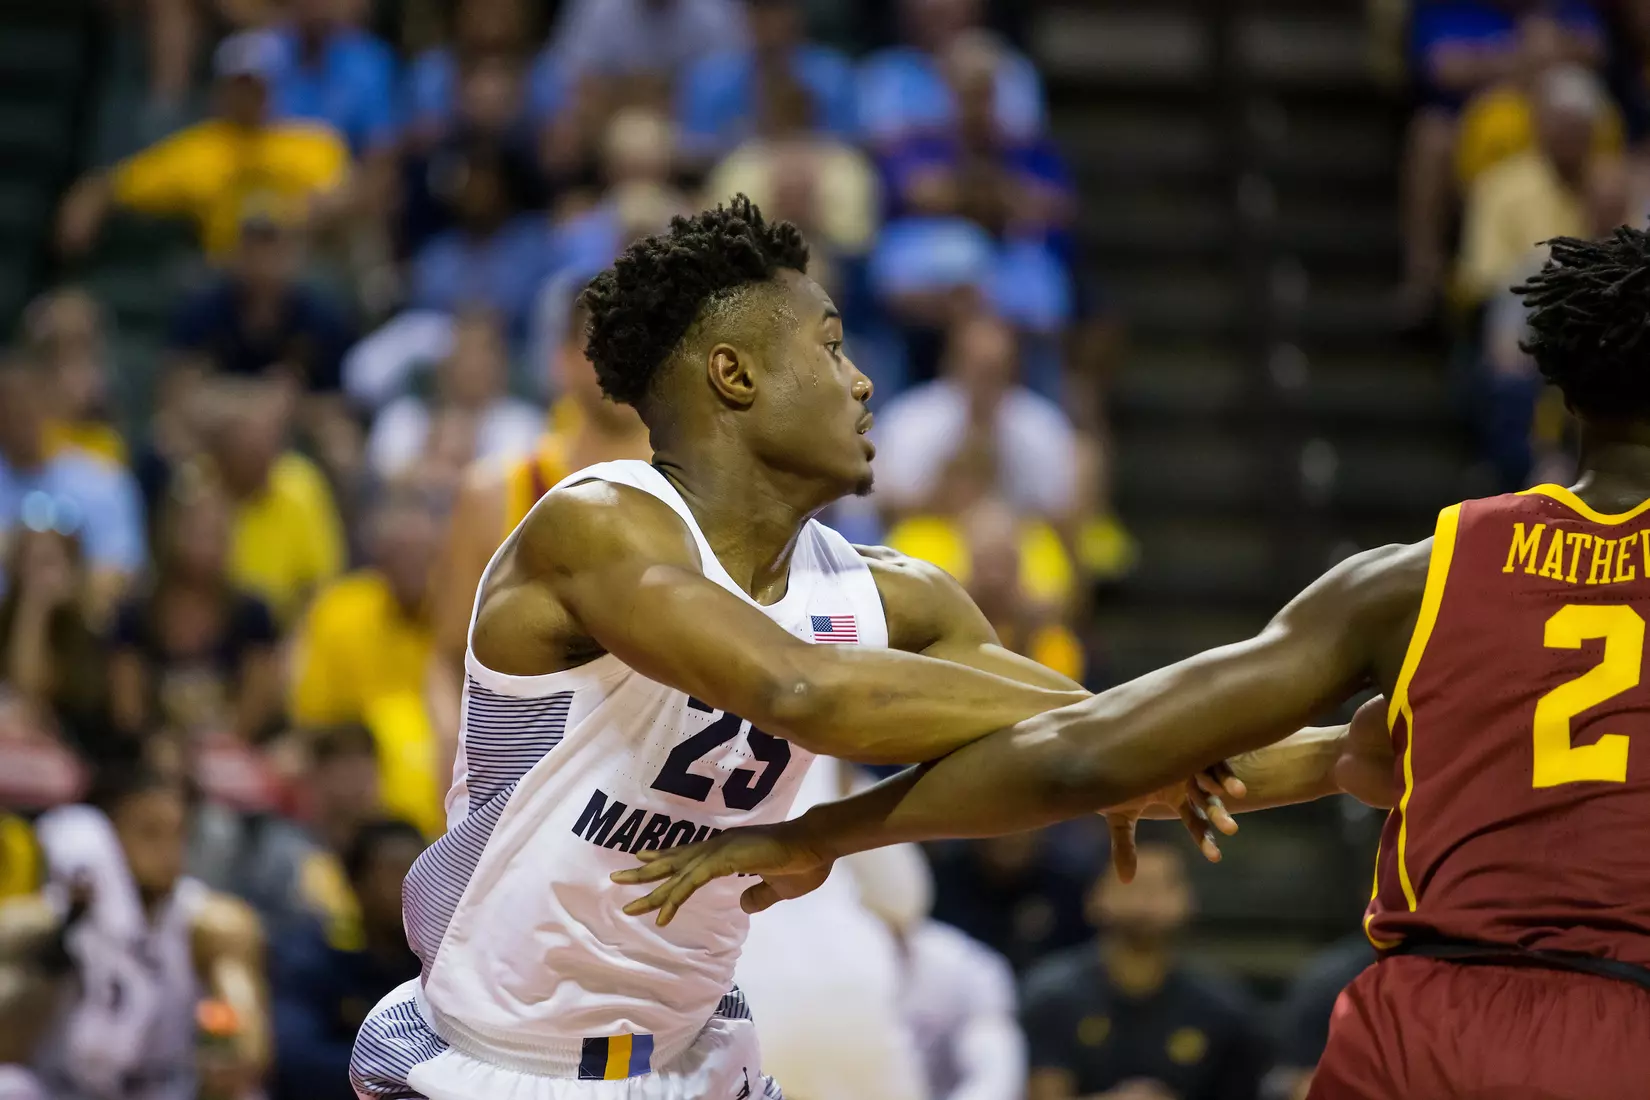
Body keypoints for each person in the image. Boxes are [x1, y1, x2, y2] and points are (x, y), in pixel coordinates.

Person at [616, 225, 1650, 1098]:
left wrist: (828, 830)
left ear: (1557, 389)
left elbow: (1093, 751)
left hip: (1425, 1028)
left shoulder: (1421, 576)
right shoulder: (607, 526)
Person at [349, 195, 1127, 1100]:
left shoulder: (886, 593)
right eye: (832, 347)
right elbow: (806, 691)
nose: (864, 380)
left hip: (696, 1053)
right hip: (499, 1056)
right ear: (733, 375)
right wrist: (1097, 727)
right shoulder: (589, 519)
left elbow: (1088, 746)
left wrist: (1278, 751)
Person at [422, 291, 651, 762]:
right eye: (610, 342)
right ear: (563, 360)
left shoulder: (709, 498)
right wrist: (450, 751)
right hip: (528, 774)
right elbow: (447, 662)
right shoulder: (495, 494)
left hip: (660, 788)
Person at [32, 764, 269, 1100]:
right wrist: (69, 930)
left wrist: (225, 1054)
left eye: (177, 833)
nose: (168, 851)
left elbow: (248, 1051)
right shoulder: (47, 920)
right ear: (104, 839)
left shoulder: (211, 923)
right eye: (150, 833)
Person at [55, 30, 349, 261]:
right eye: (239, 86)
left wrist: (312, 213)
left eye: (257, 86)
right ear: (221, 90)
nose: (248, 97)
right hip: (228, 276)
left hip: (298, 267)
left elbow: (351, 197)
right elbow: (113, 184)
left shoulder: (313, 143)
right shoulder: (200, 148)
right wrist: (87, 200)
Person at [1021, 838, 1270, 1100]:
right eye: (1131, 881)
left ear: (1189, 899)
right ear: (1095, 895)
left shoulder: (1223, 1006)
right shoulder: (1051, 995)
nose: (1146, 899)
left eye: (1162, 885)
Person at [292, 494, 446, 837]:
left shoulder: (465, 619)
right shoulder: (339, 611)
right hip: (359, 781)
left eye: (426, 557)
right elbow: (314, 722)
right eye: (401, 555)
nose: (414, 567)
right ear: (379, 560)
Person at [109, 469, 282, 745]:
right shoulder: (136, 611)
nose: (207, 542)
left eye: (216, 532)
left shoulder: (252, 613)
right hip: (152, 755)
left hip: (234, 753)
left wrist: (221, 749)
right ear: (170, 531)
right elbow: (128, 711)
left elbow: (258, 703)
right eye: (196, 529)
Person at [272, 820, 425, 1100]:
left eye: (419, 872)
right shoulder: (312, 955)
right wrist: (410, 1071)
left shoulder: (440, 961)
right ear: (356, 884)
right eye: (394, 871)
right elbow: (296, 1061)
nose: (410, 885)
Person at [0, 354, 146, 618]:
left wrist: (48, 593)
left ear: (51, 409)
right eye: (8, 409)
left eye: (28, 407)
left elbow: (121, 572)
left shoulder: (103, 481)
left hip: (80, 629)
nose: (17, 419)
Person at [366, 311, 544, 489]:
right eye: (463, 351)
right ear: (442, 363)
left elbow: (512, 481)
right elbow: (383, 472)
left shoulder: (523, 423)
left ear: (501, 365)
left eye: (482, 353)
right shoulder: (403, 416)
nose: (472, 364)